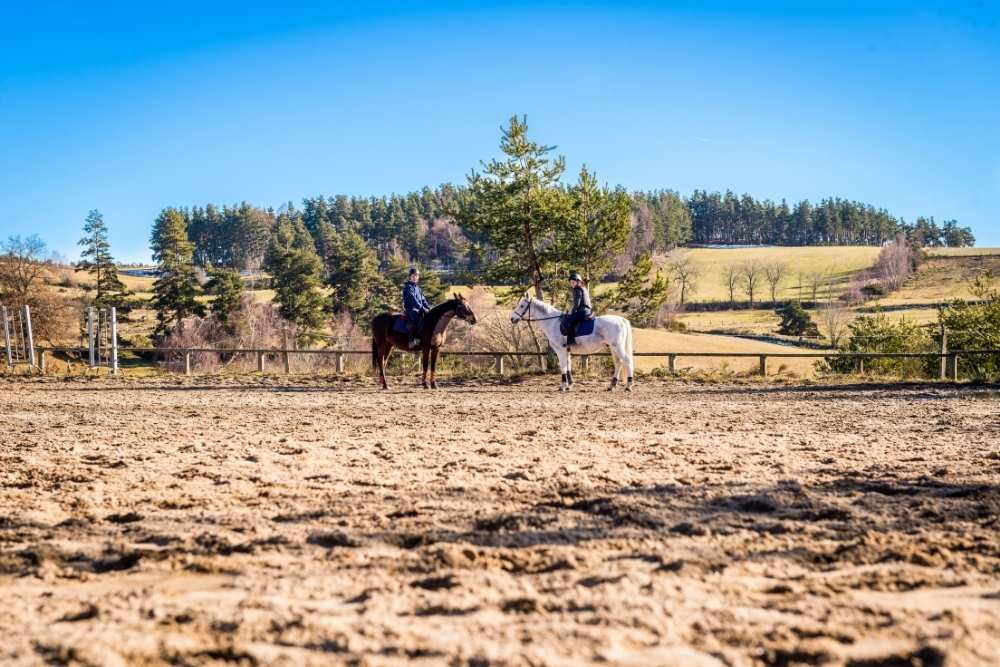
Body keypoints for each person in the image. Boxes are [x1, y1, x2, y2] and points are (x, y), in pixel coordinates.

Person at [402, 267, 431, 348]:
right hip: (410, 310)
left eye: (417, 276)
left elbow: (423, 299)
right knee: (416, 319)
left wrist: (428, 308)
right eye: (414, 276)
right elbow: (414, 301)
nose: (415, 277)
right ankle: (411, 340)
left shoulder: (418, 288)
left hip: (418, 309)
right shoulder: (407, 288)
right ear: (410, 277)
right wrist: (422, 309)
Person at [565, 272, 593, 347]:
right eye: (571, 283)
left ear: (578, 282)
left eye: (573, 282)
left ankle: (571, 341)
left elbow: (576, 304)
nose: (572, 284)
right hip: (587, 311)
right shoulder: (583, 288)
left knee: (568, 320)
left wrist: (571, 313)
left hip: (583, 311)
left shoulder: (577, 290)